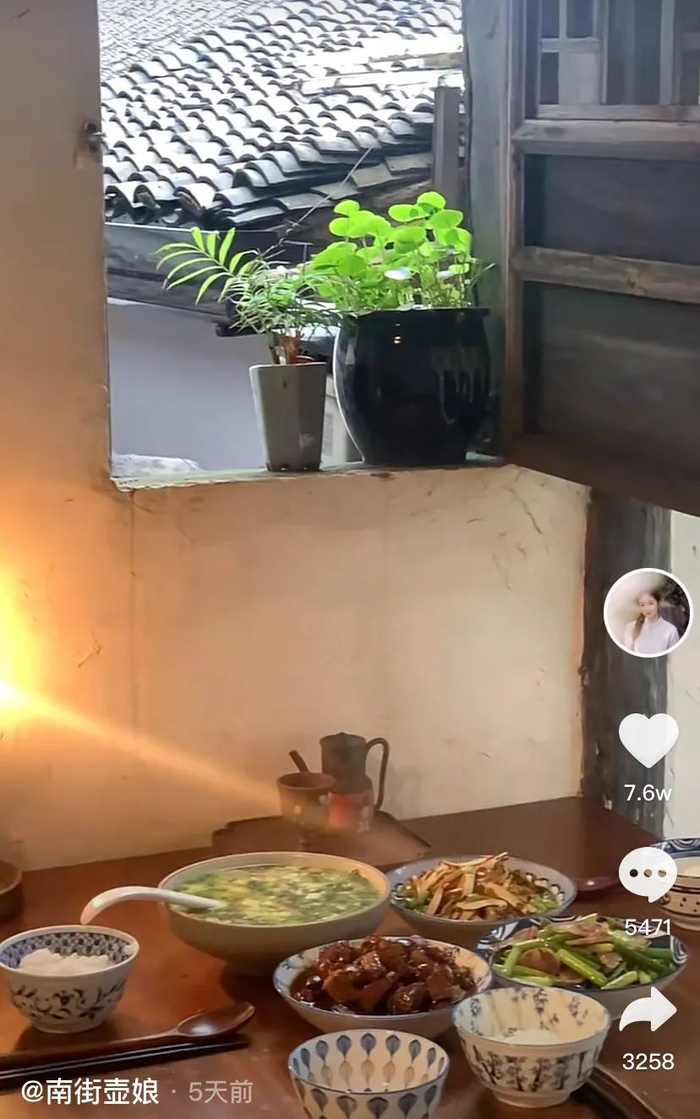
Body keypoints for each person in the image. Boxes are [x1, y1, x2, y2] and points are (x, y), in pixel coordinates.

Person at [623, 590, 679, 654]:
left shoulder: (671, 630)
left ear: (658, 603)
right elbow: (626, 654)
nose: (647, 608)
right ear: (639, 607)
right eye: (642, 605)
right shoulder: (631, 627)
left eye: (651, 603)